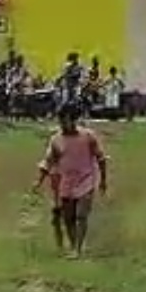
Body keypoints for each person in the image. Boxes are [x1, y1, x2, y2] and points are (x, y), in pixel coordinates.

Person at [34, 103, 109, 258]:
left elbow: (101, 158)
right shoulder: (56, 139)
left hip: (86, 180)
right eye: (60, 120)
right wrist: (39, 181)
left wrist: (103, 180)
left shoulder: (88, 136)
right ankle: (73, 244)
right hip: (66, 183)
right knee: (68, 218)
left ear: (74, 120)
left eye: (65, 120)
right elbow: (48, 161)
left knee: (82, 215)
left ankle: (78, 249)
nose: (62, 124)